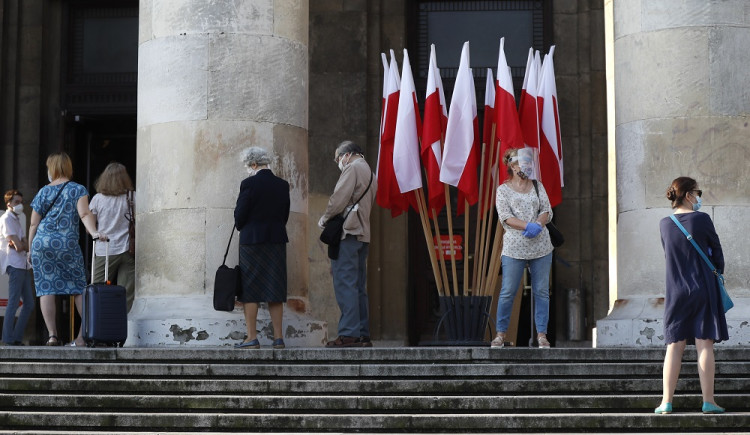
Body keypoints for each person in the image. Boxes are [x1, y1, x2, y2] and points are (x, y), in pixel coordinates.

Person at [654, 177, 728, 415]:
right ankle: (708, 401)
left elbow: (670, 256)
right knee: (704, 344)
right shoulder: (702, 219)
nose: (698, 197)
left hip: (675, 290)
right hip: (703, 287)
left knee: (674, 345)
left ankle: (666, 401)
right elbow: (717, 253)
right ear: (687, 195)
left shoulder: (664, 224)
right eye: (697, 193)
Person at [28, 152, 107, 346]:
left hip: (41, 243)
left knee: (46, 288)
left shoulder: (43, 191)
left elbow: (33, 224)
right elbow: (84, 213)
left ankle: (52, 335)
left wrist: (30, 249)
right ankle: (90, 333)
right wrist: (94, 232)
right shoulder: (78, 189)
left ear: (52, 168)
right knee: (78, 288)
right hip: (66, 244)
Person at [491, 148, 554, 349]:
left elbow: (546, 209)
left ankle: (542, 335)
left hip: (541, 246)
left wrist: (538, 223)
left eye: (529, 163)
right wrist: (526, 225)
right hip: (514, 248)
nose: (527, 167)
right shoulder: (503, 190)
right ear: (512, 165)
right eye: (523, 164)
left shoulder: (537, 186)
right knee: (508, 291)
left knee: (542, 291)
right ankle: (500, 334)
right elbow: (505, 217)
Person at [318, 141, 376, 348]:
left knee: (345, 284)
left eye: (338, 158)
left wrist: (325, 218)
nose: (338, 162)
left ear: (348, 154)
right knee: (359, 286)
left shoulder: (352, 168)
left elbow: (338, 199)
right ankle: (361, 333)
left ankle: (349, 333)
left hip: (349, 232)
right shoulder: (370, 172)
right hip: (363, 234)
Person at [233, 146, 290, 349]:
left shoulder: (248, 184)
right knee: (275, 289)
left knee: (250, 290)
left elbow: (240, 215)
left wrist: (243, 226)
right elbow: (285, 215)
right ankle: (278, 338)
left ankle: (251, 337)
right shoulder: (282, 185)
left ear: (254, 164)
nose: (247, 170)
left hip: (252, 241)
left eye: (248, 166)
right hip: (276, 240)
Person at [89, 162, 136, 312]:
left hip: (105, 250)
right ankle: (125, 327)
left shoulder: (97, 199)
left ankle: (99, 325)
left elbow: (90, 226)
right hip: (129, 249)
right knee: (126, 293)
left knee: (98, 290)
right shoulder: (133, 197)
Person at [0, 190, 35, 345]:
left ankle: (16, 338)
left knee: (29, 303)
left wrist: (21, 244)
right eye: (16, 202)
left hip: (22, 264)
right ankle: (8, 339)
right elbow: (21, 245)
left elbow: (24, 244)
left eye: (21, 201)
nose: (20, 205)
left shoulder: (17, 218)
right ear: (9, 204)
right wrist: (20, 244)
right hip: (14, 264)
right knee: (14, 302)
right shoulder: (7, 218)